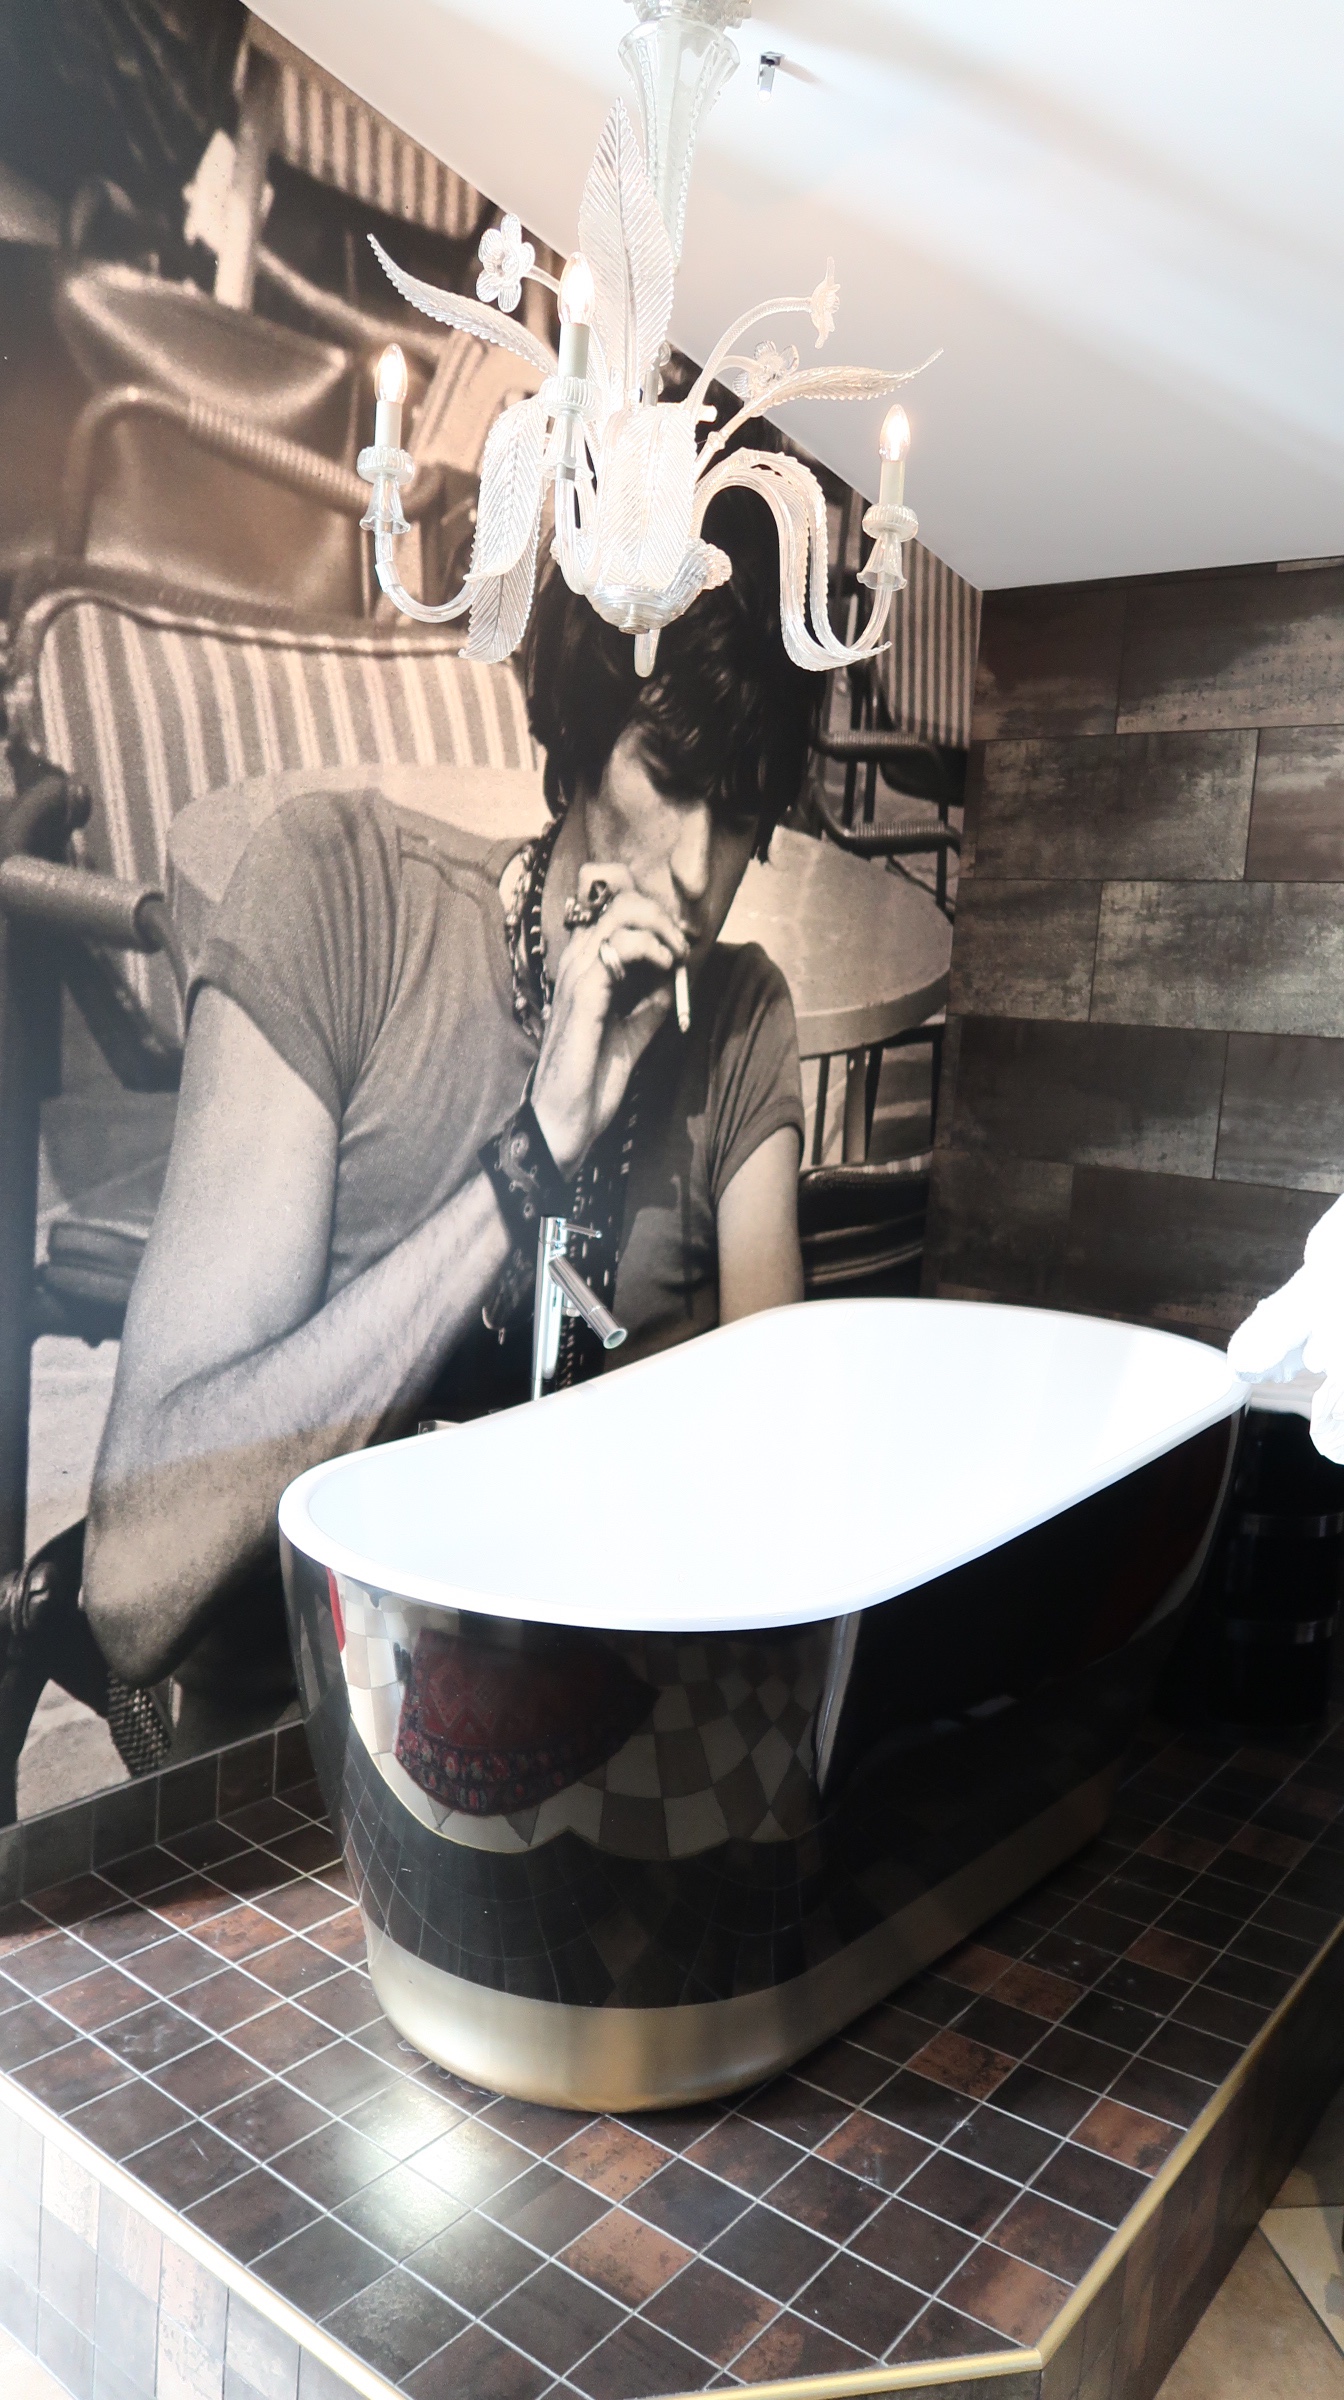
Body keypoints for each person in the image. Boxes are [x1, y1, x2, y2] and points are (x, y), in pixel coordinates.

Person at [0, 485, 819, 1783]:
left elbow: (778, 1536)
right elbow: (138, 1590)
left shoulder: (742, 1019)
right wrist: (531, 1157)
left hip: (593, 1765)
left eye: (742, 814)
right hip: (291, 1784)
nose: (696, 872)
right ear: (581, 733)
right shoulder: (340, 893)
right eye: (669, 777)